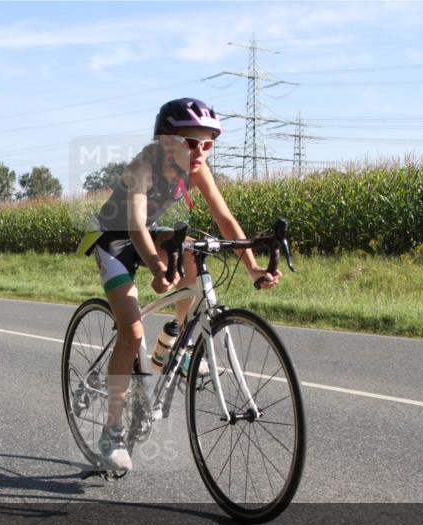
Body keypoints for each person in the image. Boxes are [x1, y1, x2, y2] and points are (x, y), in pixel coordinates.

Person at [76, 98, 282, 474]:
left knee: (196, 249)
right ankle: (113, 431)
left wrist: (252, 267)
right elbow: (135, 225)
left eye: (208, 142)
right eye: (191, 142)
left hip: (155, 235)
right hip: (116, 240)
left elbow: (224, 217)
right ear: (166, 141)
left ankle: (177, 341)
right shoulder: (143, 166)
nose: (201, 150)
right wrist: (156, 266)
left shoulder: (197, 169)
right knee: (131, 331)